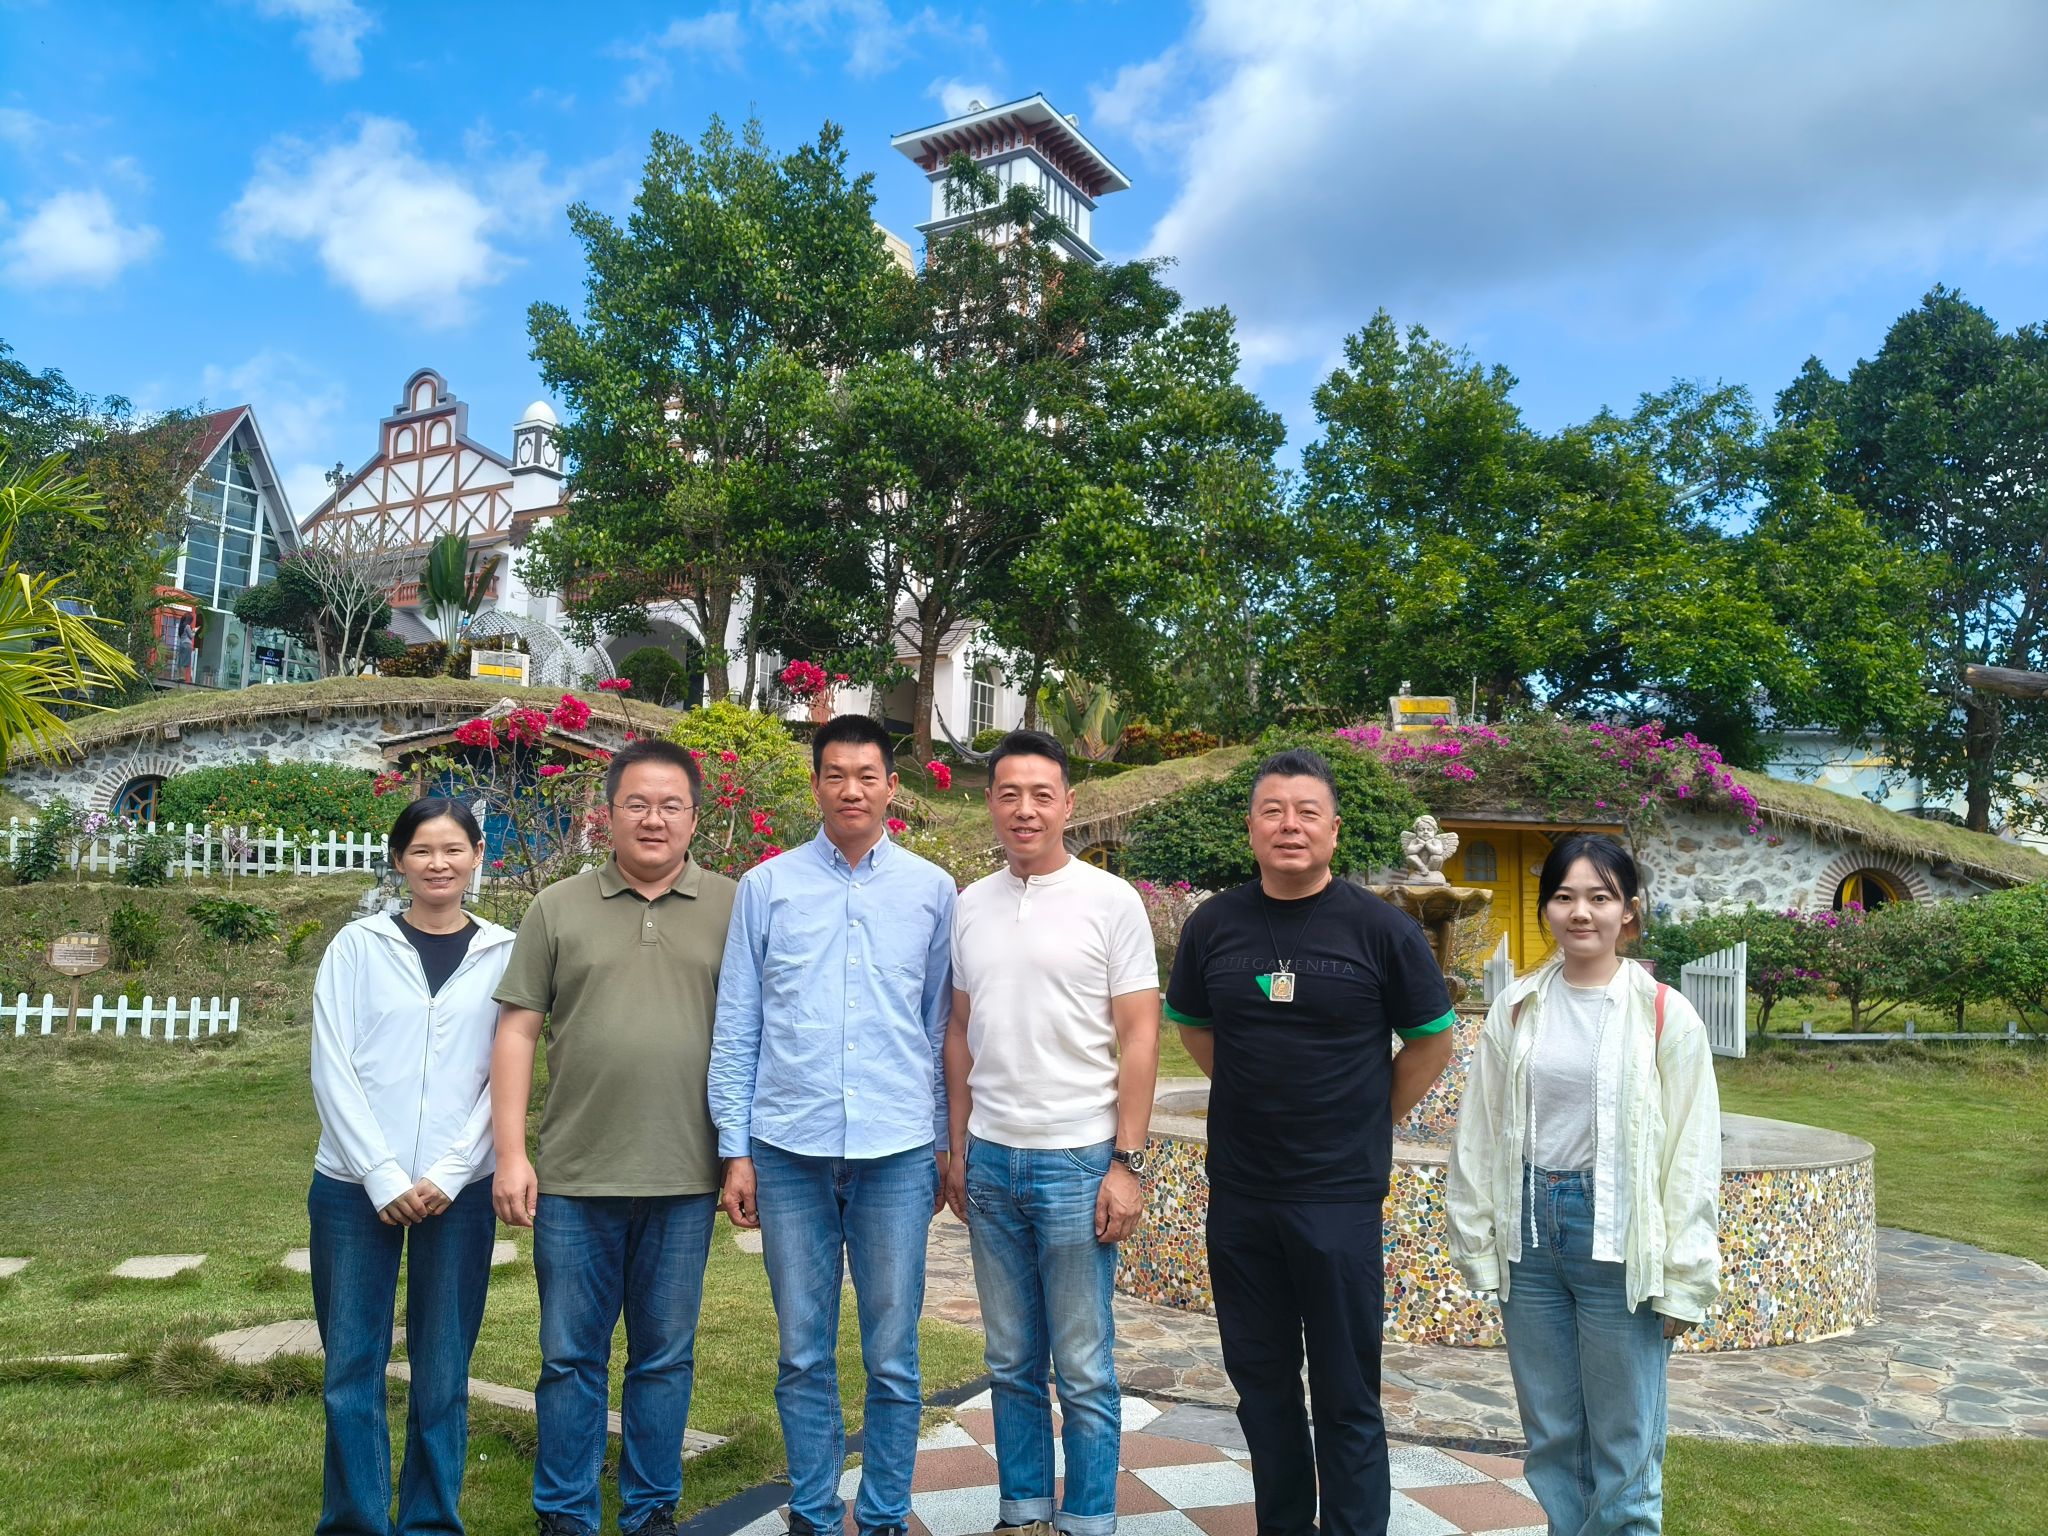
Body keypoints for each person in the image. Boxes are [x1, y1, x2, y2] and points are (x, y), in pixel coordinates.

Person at [1164, 748, 1456, 1536]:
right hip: (1242, 1195)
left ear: (1333, 828)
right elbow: (1194, 1026)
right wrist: (1255, 1092)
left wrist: (1366, 1115)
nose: (1289, 825)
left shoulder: (1381, 929)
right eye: (1273, 810)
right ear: (1251, 827)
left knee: (1346, 1392)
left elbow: (1432, 1039)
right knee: (1262, 1388)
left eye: (1306, 812)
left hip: (1338, 1197)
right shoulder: (1214, 926)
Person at [710, 713, 957, 1536]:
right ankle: (814, 1514)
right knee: (803, 1350)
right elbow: (739, 1022)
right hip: (789, 1150)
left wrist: (940, 1144)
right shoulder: (767, 887)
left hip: (897, 1152)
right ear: (816, 784)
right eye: (836, 775)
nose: (852, 789)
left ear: (892, 787)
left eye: (867, 775)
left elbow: (937, 1028)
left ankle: (883, 1513)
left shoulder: (931, 891)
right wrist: (735, 1150)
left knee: (893, 1353)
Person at [490, 740, 739, 1536]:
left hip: (687, 1176)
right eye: (637, 803)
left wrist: (742, 1155)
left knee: (664, 1358)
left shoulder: (737, 907)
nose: (653, 819)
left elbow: (761, 1036)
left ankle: (651, 1509)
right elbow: (517, 1031)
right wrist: (511, 1154)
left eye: (670, 805)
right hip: (575, 1176)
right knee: (570, 1357)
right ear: (608, 814)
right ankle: (565, 1513)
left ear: (695, 817)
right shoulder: (557, 907)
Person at [1447, 833, 1721, 1536]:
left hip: (1618, 1237)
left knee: (1625, 1446)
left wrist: (1685, 1273)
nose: (1581, 912)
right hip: (1531, 1236)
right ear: (1546, 909)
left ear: (1629, 910)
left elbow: (1691, 1151)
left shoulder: (1665, 1013)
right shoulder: (1517, 1007)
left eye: (1600, 897)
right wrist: (1476, 1237)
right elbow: (1480, 1129)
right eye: (1565, 897)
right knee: (1553, 1439)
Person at [942, 729, 1162, 1536]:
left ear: (1069, 804)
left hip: (1078, 1158)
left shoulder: (1111, 901)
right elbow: (959, 1029)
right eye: (1009, 794)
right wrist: (958, 1146)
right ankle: (1023, 1512)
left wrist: (1126, 1162)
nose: (1025, 810)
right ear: (990, 803)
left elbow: (1141, 1034)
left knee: (1084, 1365)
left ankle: (1090, 1518)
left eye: (1042, 795)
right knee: (1009, 1361)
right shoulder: (970, 903)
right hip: (992, 1160)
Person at [309, 796, 515, 1536]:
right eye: (422, 850)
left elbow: (506, 1075)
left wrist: (452, 1172)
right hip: (351, 1187)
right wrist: (381, 1175)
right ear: (399, 859)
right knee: (350, 1369)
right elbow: (332, 1066)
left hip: (458, 1191)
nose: (438, 864)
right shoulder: (357, 946)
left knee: (443, 1369)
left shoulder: (505, 951)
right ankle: (357, 1522)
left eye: (454, 849)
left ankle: (430, 1521)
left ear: (477, 857)